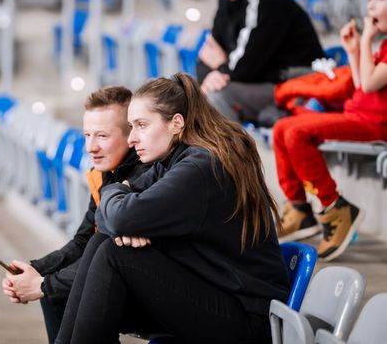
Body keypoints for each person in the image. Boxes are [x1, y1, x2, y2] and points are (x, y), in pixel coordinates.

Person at [55, 73, 289, 344]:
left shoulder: (200, 167)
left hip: (245, 318)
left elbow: (119, 216)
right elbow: (108, 216)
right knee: (100, 247)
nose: (132, 139)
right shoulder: (172, 160)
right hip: (211, 293)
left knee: (112, 255)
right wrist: (122, 210)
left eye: (141, 125)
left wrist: (119, 202)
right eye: (131, 127)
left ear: (176, 123)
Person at [1, 86, 148, 344]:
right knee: (55, 293)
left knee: (57, 292)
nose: (91, 147)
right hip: (118, 281)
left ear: (131, 136)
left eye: (102, 136)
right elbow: (82, 242)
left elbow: (107, 254)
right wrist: (34, 269)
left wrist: (43, 284)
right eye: (87, 135)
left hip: (148, 292)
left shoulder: (142, 179)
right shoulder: (105, 173)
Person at [274, 0, 387, 262]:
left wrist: (366, 38)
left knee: (296, 132)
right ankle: (299, 208)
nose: (371, 6)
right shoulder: (382, 46)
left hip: (375, 124)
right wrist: (354, 50)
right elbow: (361, 84)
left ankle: (335, 207)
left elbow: (370, 84)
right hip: (358, 115)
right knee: (281, 127)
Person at [196, 0, 324, 123]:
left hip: (299, 86)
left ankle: (233, 144)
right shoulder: (227, 2)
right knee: (192, 93)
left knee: (218, 95)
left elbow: (243, 69)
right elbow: (206, 56)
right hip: (265, 84)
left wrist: (220, 66)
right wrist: (211, 74)